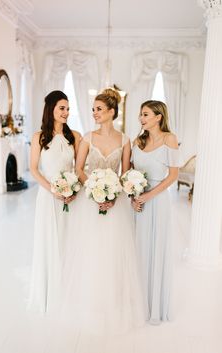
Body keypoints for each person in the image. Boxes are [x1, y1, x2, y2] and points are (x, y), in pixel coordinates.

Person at [60, 88, 144, 335]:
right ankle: (89, 304)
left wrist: (113, 194)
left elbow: (125, 173)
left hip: (114, 204)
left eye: (99, 109)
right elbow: (79, 169)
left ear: (111, 112)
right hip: (90, 203)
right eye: (93, 109)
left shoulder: (124, 140)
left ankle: (113, 304)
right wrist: (96, 192)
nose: (94, 113)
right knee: (90, 252)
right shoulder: (87, 137)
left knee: (113, 254)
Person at [28, 90, 81, 313]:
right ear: (51, 108)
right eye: (62, 108)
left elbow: (79, 169)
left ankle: (69, 292)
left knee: (68, 241)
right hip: (48, 197)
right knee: (49, 241)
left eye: (68, 108)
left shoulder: (75, 136)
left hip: (71, 197)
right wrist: (52, 189)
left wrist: (73, 189)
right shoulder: (39, 136)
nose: (66, 112)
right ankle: (50, 293)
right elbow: (33, 169)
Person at [131, 100, 179, 325]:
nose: (141, 118)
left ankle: (156, 307)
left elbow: (172, 176)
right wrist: (133, 198)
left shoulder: (169, 139)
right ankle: (139, 304)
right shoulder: (137, 142)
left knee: (157, 248)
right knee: (140, 249)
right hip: (139, 202)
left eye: (146, 114)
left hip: (158, 202)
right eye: (141, 114)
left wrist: (149, 196)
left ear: (159, 117)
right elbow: (130, 175)